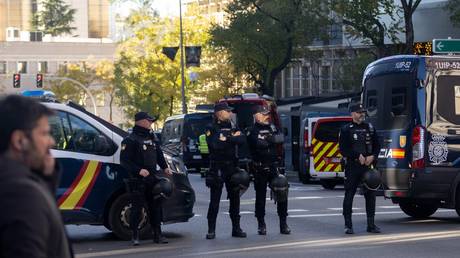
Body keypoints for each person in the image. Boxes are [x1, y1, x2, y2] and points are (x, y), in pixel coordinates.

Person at [0, 95, 73, 258]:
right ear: (19, 140)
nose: (51, 142)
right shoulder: (21, 194)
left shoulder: (11, 183)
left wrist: (44, 180)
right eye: (45, 133)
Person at [120, 111, 173, 245]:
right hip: (137, 180)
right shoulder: (130, 140)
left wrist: (165, 167)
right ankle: (135, 236)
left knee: (155, 207)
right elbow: (124, 161)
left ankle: (158, 235)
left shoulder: (152, 137)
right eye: (149, 121)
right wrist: (139, 170)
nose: (151, 123)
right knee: (137, 209)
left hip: (152, 177)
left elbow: (159, 154)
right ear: (141, 121)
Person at [247, 105, 290, 235]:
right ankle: (261, 224)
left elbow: (280, 138)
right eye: (263, 114)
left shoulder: (272, 127)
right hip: (259, 167)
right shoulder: (252, 130)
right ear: (256, 115)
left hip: (273, 166)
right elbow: (259, 144)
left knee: (282, 191)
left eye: (267, 114)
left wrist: (270, 139)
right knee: (260, 198)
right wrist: (271, 140)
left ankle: (283, 223)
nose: (266, 116)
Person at [205, 102, 246, 239]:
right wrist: (232, 138)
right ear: (219, 113)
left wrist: (226, 138)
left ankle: (236, 228)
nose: (230, 113)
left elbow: (242, 140)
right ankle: (211, 230)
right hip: (217, 167)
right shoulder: (211, 127)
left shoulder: (233, 125)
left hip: (232, 167)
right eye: (227, 111)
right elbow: (215, 144)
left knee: (235, 199)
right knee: (215, 200)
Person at [338, 103, 381, 234]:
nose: (361, 114)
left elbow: (377, 146)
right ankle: (348, 225)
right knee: (349, 194)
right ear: (352, 114)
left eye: (362, 112)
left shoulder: (370, 128)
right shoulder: (346, 129)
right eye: (358, 112)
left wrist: (373, 156)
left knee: (371, 195)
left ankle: (371, 224)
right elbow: (343, 149)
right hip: (353, 166)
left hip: (368, 166)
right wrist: (357, 156)